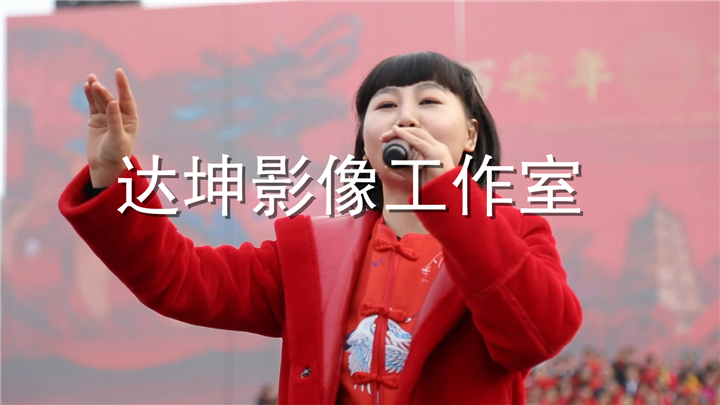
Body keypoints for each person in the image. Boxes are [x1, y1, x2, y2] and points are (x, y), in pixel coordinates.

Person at [59, 51, 583, 404]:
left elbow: (538, 334)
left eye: (428, 101)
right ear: (366, 142)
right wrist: (113, 177)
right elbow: (181, 279)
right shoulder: (312, 253)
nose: (405, 117)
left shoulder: (515, 235)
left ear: (470, 134)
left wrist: (447, 192)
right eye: (385, 105)